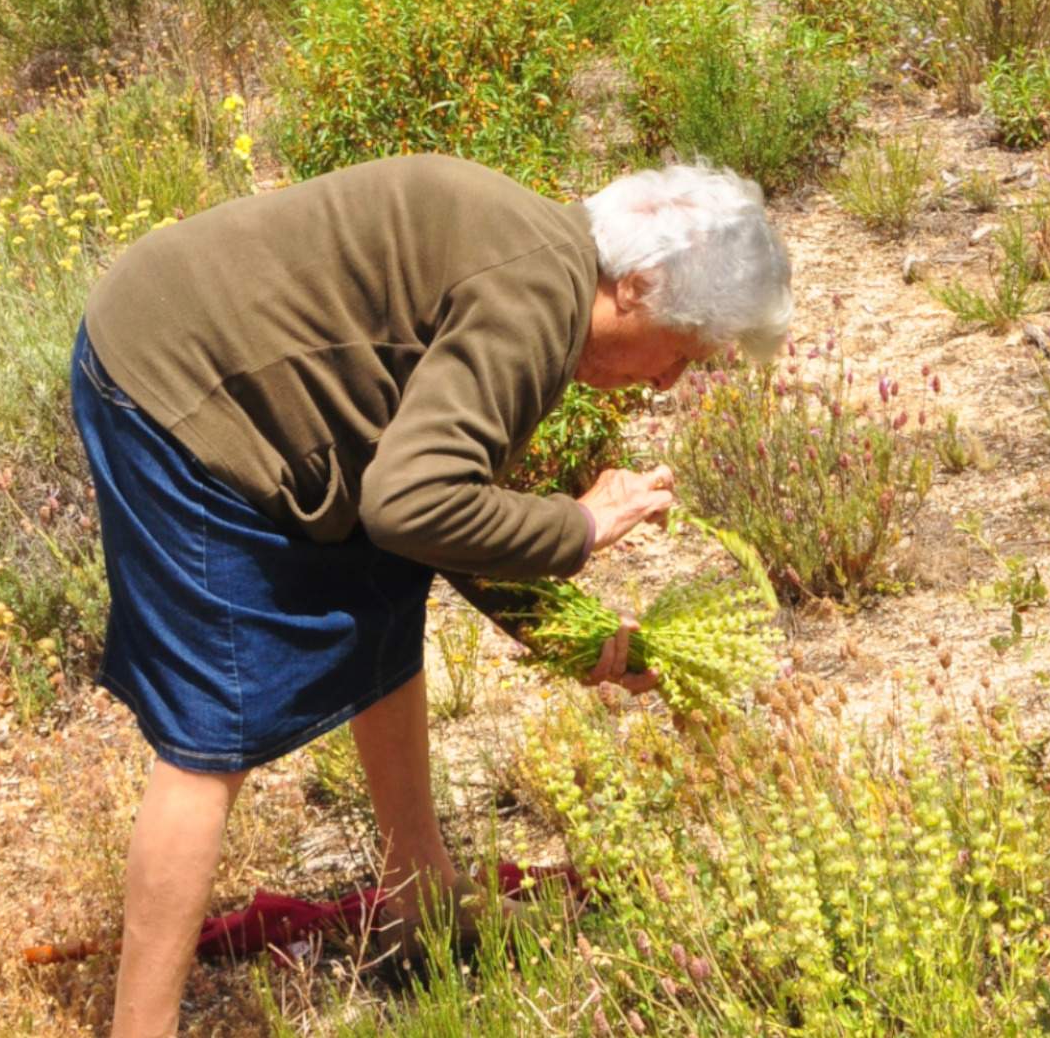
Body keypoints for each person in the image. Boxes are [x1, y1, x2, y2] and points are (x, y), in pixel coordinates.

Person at [69, 153, 791, 1036]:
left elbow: (436, 525)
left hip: (210, 352)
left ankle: (424, 900)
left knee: (385, 589)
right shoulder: (528, 304)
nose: (669, 382)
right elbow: (416, 503)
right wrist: (582, 527)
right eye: (683, 352)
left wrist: (583, 640)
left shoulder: (544, 266)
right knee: (213, 728)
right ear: (637, 287)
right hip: (174, 383)